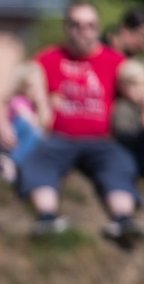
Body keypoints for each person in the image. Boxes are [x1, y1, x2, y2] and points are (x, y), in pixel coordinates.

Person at [18, 2, 140, 244]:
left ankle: (123, 219)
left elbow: (137, 89)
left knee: (119, 165)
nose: (82, 31)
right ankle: (47, 216)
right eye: (76, 25)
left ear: (98, 29)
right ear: (66, 27)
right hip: (58, 138)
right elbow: (19, 95)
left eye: (89, 26)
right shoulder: (48, 59)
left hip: (100, 141)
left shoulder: (114, 61)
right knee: (39, 161)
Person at [0, 61, 52, 186]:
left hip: (13, 143)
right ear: (22, 86)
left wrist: (42, 103)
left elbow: (46, 121)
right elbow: (30, 121)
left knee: (37, 136)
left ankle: (8, 161)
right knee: (33, 132)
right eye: (32, 86)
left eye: (39, 86)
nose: (36, 90)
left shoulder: (34, 106)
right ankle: (10, 161)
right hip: (2, 141)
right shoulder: (18, 101)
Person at [111, 59, 144, 177]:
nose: (136, 89)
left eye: (139, 84)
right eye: (130, 85)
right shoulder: (122, 107)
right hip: (131, 150)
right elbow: (123, 134)